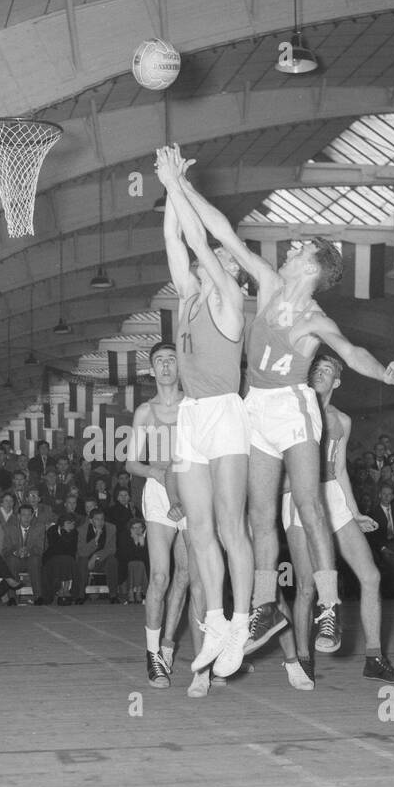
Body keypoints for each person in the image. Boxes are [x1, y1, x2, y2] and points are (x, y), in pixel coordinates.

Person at [154, 145, 252, 690]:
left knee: (231, 527)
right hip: (192, 415)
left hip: (225, 414)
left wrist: (174, 184)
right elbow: (176, 239)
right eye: (221, 258)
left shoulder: (230, 301)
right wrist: (173, 186)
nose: (222, 259)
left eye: (229, 259)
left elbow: (197, 239)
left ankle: (240, 624)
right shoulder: (189, 297)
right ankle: (214, 622)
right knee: (198, 530)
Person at [279, 354, 394, 684]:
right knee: (306, 586)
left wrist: (354, 511)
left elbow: (339, 470)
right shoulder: (292, 413)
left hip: (332, 495)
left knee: (371, 576)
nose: (320, 374)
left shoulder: (342, 421)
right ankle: (303, 660)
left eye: (328, 371)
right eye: (316, 369)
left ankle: (375, 657)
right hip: (299, 498)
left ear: (336, 381)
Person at [126, 341, 194, 688]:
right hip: (157, 493)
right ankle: (152, 655)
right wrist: (156, 473)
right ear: (152, 371)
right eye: (159, 362)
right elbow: (131, 461)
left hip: (191, 489)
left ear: (179, 367)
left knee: (187, 574)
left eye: (171, 359)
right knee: (160, 576)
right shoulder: (145, 411)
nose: (166, 366)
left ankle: (168, 645)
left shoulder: (194, 406)